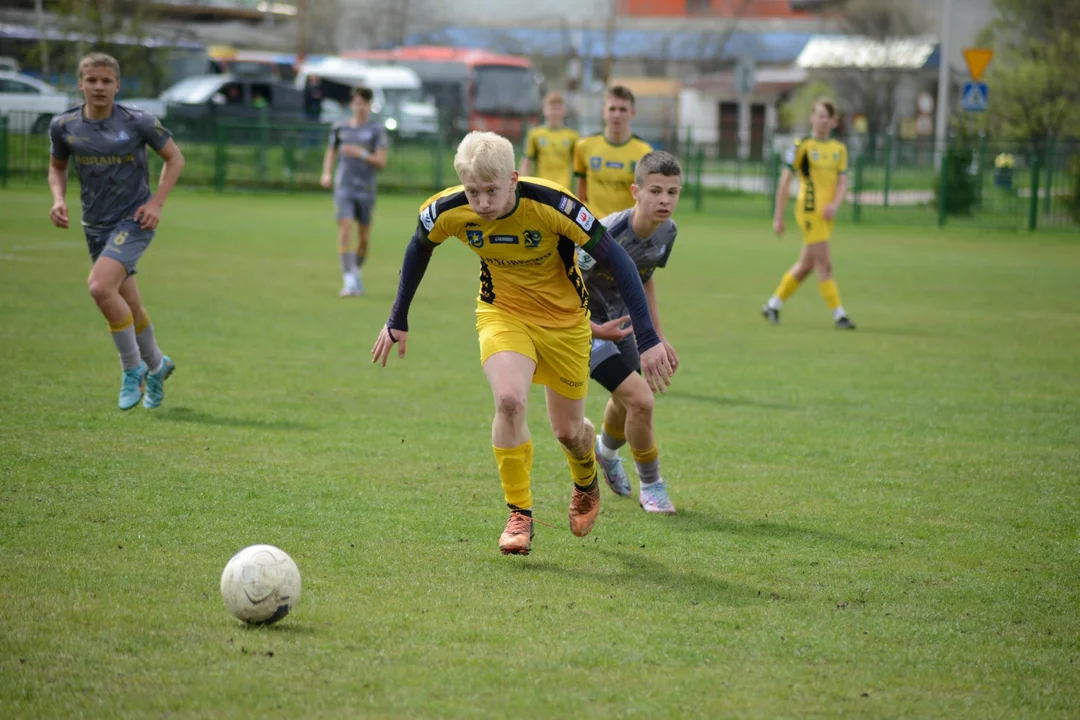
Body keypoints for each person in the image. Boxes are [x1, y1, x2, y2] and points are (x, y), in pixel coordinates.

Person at [371, 131, 674, 556]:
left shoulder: (553, 205)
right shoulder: (448, 210)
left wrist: (647, 338)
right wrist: (397, 317)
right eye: (473, 192)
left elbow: (618, 259)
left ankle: (586, 478)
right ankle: (520, 515)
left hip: (566, 324)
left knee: (569, 432)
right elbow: (419, 247)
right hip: (502, 313)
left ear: (514, 178)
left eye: (492, 191)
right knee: (510, 401)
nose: (482, 203)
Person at [47, 52, 185, 411]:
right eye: (91, 80)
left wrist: (156, 203)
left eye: (106, 81)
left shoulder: (139, 122)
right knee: (130, 305)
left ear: (118, 85)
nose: (99, 87)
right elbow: (57, 167)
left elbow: (175, 158)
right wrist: (58, 199)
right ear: (80, 84)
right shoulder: (64, 126)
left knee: (99, 287)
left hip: (134, 220)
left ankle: (132, 369)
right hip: (94, 225)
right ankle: (157, 365)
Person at [578, 151, 682, 515]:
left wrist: (655, 335)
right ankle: (651, 487)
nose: (665, 200)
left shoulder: (668, 232)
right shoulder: (605, 236)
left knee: (628, 399)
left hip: (622, 326)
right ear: (635, 191)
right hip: (585, 328)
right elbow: (564, 285)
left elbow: (645, 276)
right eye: (655, 191)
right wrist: (592, 329)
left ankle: (605, 454)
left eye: (672, 192)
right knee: (641, 400)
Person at [763, 98, 856, 329]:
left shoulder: (839, 149)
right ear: (812, 118)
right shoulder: (801, 145)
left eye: (827, 116)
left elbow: (842, 183)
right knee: (825, 264)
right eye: (819, 115)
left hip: (827, 214)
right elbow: (785, 181)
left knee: (806, 266)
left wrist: (835, 204)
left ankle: (773, 305)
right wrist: (778, 215)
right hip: (809, 210)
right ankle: (839, 315)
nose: (823, 120)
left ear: (833, 121)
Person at [320, 87, 389, 297]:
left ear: (369, 106)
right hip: (345, 188)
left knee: (364, 238)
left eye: (364, 104)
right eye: (357, 103)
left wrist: (361, 153)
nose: (360, 108)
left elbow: (381, 161)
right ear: (352, 105)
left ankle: (355, 271)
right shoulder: (340, 128)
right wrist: (326, 173)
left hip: (366, 190)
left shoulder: (376, 131)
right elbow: (331, 151)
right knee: (345, 228)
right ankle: (348, 279)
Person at [572, 85, 653, 218]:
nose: (617, 115)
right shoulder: (584, 146)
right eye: (612, 109)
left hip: (627, 227)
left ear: (632, 113)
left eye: (623, 109)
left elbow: (646, 195)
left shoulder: (645, 152)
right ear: (604, 112)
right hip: (593, 226)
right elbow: (581, 186)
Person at [519, 91, 579, 189]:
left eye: (558, 108)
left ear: (564, 110)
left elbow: (579, 169)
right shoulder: (534, 134)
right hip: (542, 189)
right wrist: (521, 185)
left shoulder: (572, 136)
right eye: (551, 108)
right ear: (544, 110)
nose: (554, 112)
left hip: (564, 190)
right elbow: (526, 162)